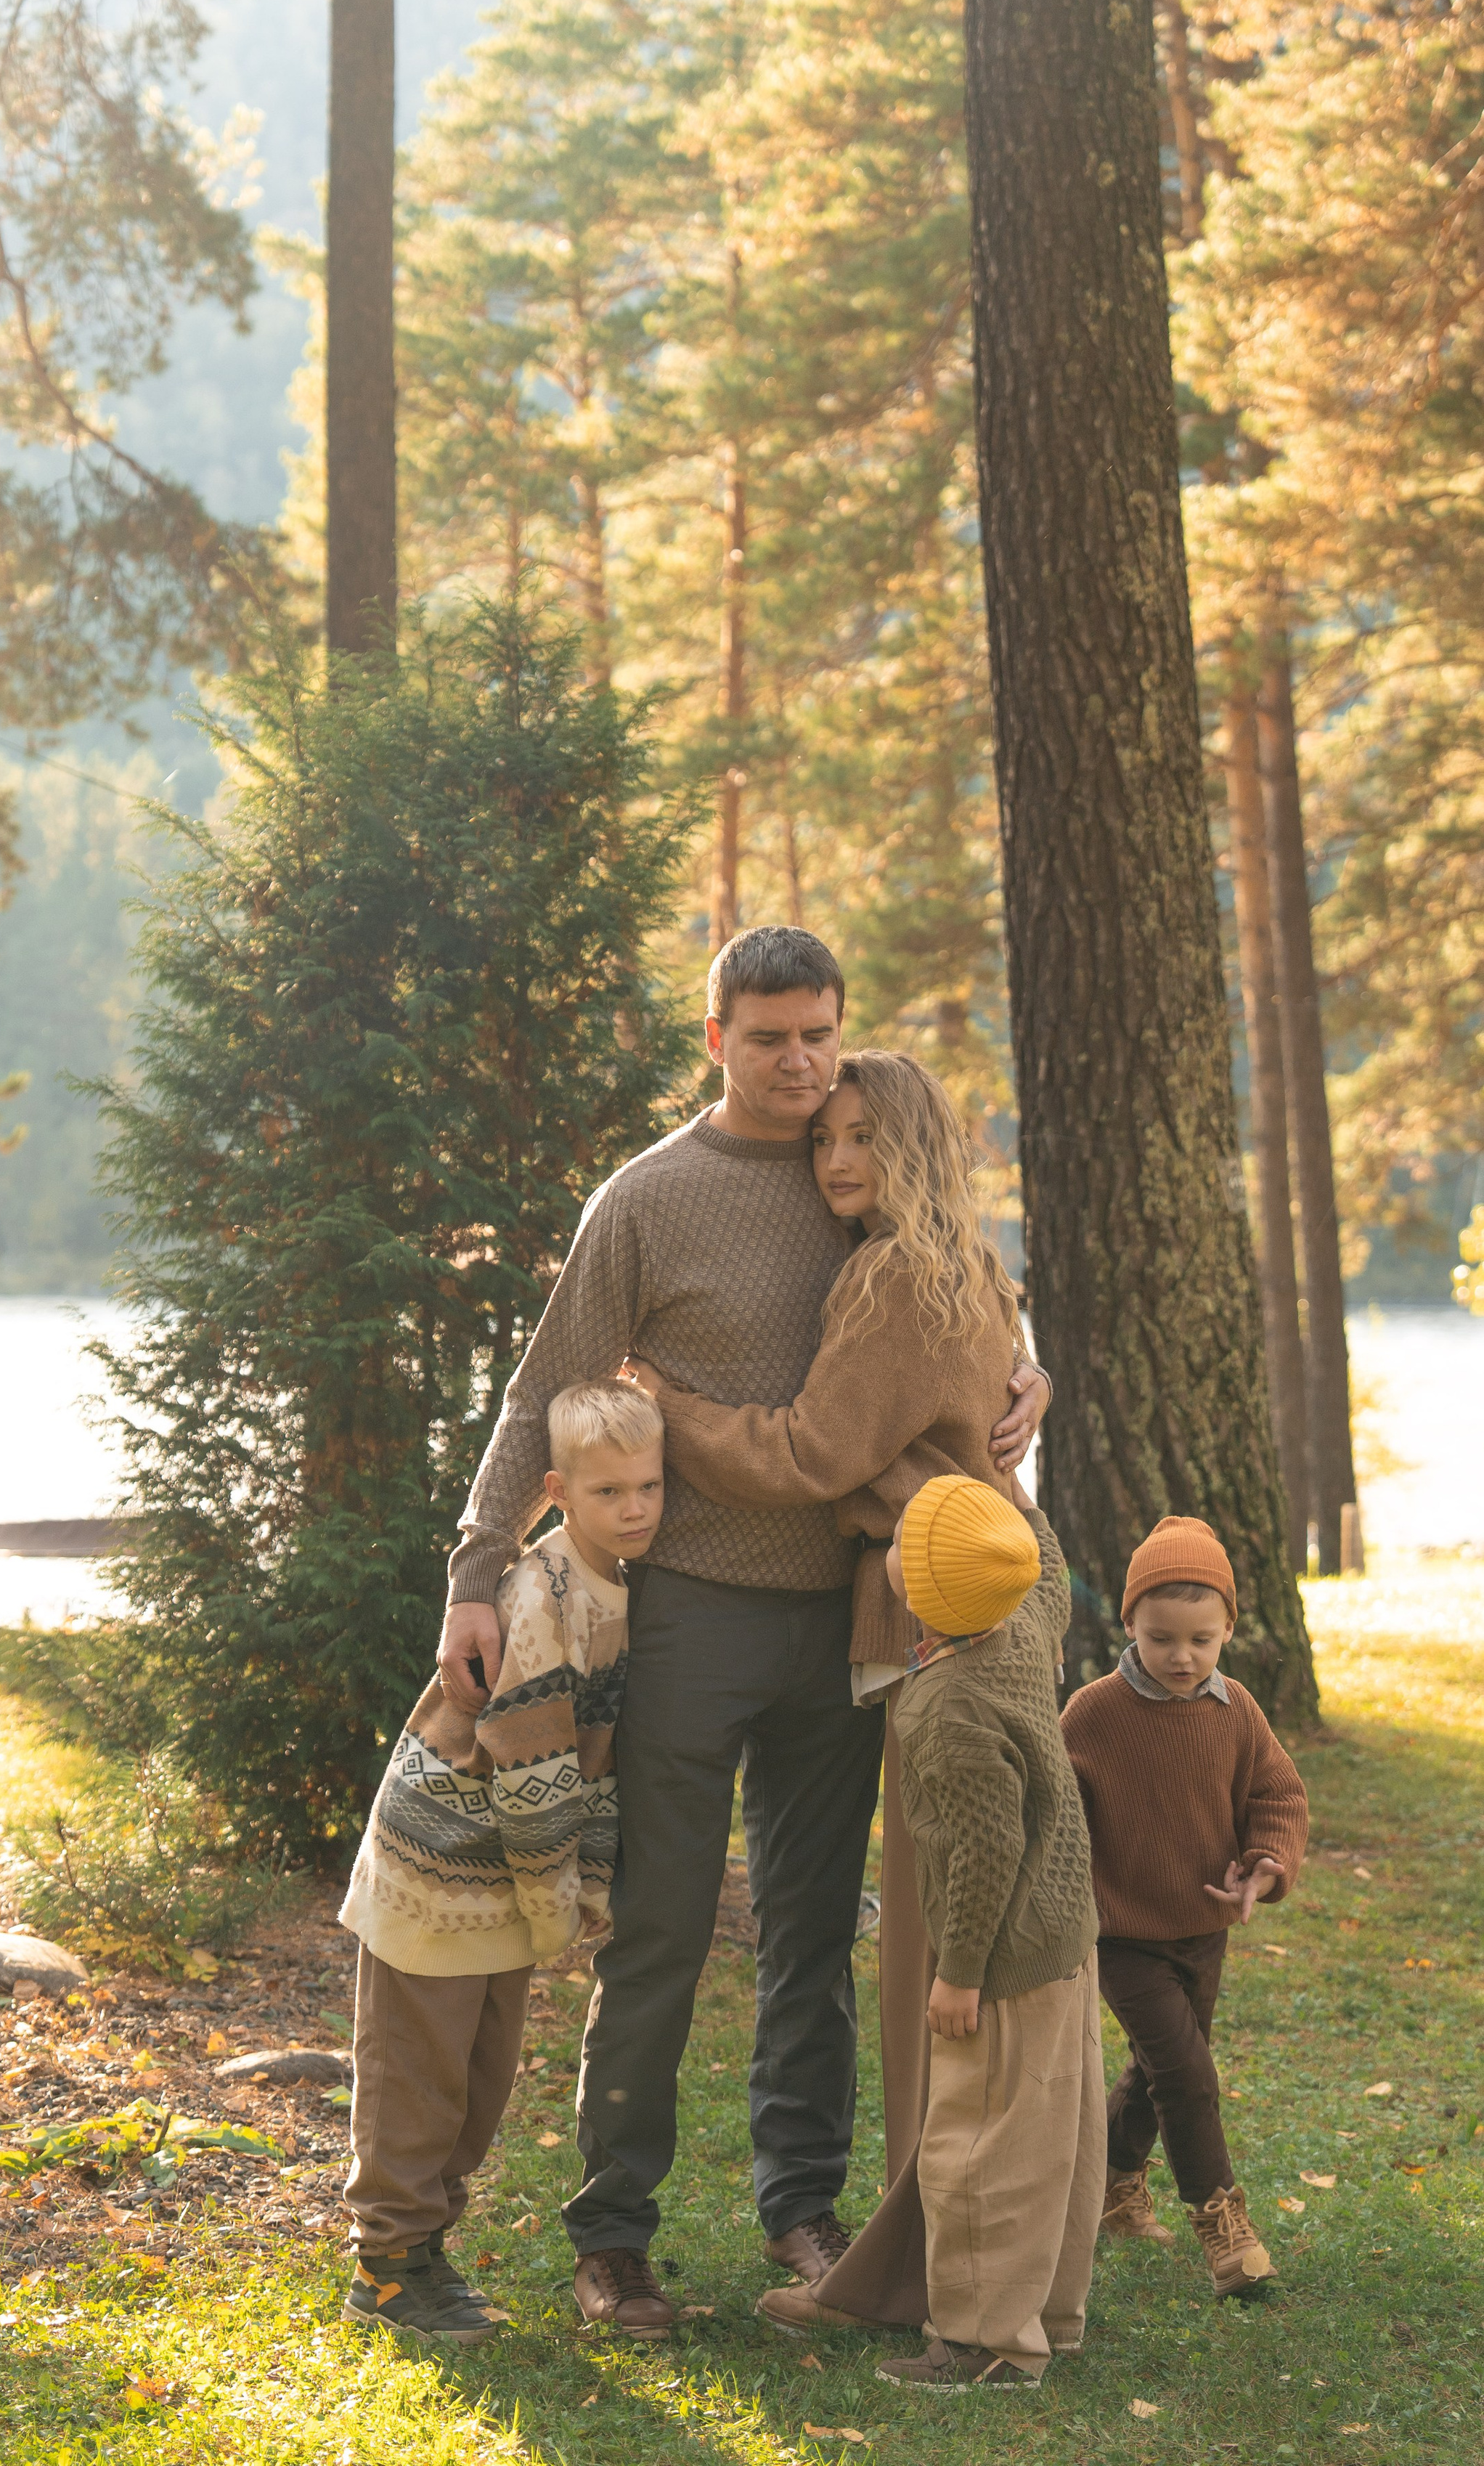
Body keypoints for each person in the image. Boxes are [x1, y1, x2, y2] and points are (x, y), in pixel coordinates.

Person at [435, 927, 1048, 2344]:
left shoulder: (862, 1169)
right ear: (713, 1037)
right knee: (653, 1933)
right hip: (694, 1610)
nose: (797, 1062)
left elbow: (958, 1303)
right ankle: (614, 2240)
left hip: (849, 1613)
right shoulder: (646, 1200)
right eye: (767, 1037)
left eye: (817, 1033)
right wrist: (477, 1565)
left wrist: (1031, 1373)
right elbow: (543, 1394)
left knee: (809, 1935)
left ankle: (803, 2209)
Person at [629, 1048, 1045, 2336]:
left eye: (863, 1136)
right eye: (826, 1140)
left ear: (915, 1145)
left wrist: (669, 1406)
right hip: (1004, 1593)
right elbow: (985, 1395)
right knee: (1000, 1939)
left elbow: (808, 1452)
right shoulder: (976, 1273)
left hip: (942, 1617)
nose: (837, 1158)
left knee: (943, 1951)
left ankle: (923, 2269)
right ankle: (978, 2251)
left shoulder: (888, 1277)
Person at [338, 1382, 662, 2344]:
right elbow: (533, 1770)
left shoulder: (627, 1586)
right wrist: (559, 1899)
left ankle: (426, 2251)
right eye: (610, 1493)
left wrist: (573, 1886)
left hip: (502, 1888)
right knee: (417, 2074)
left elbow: (595, 1761)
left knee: (478, 2082)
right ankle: (388, 2267)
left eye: (649, 1486)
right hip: (436, 1871)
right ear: (558, 1493)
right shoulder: (541, 1595)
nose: (636, 1508)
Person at [870, 1476, 1105, 2391]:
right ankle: (1050, 2312)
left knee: (980, 2152)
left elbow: (984, 1846)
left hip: (1002, 1958)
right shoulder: (1026, 1629)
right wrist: (1015, 1493)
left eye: (902, 1542)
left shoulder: (941, 1707)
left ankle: (981, 2341)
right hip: (1066, 1935)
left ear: (922, 1591)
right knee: (1058, 2134)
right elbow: (1043, 1564)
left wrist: (957, 1971)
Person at [1059, 1515, 1309, 2298]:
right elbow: (1056, 1813)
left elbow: (1277, 1794)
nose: (1181, 1656)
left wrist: (1264, 1867)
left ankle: (1108, 2182)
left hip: (1204, 1929)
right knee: (1186, 2073)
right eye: (1161, 1637)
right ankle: (1223, 2229)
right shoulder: (1093, 1714)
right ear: (1129, 1622)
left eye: (1201, 1639)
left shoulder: (1235, 1711)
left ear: (1228, 1628)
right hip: (1122, 1932)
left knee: (1160, 2065)